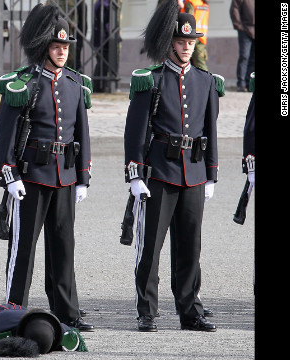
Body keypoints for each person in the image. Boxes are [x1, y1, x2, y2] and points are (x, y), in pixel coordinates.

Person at [0, 3, 94, 332]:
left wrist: (82, 177)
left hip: (64, 175)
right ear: (43, 48)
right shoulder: (24, 83)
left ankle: (67, 310)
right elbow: (5, 132)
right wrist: (9, 174)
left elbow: (82, 132)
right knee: (23, 248)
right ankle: (15, 308)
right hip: (32, 175)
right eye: (56, 46)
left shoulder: (75, 83)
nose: (62, 52)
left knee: (64, 246)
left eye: (65, 46)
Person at [124, 1, 223, 332]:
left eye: (191, 42)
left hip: (193, 172)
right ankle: (147, 311)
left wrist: (212, 174)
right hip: (160, 173)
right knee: (150, 246)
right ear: (170, 43)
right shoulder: (150, 80)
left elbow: (211, 130)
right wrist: (135, 174)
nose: (186, 47)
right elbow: (136, 132)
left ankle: (190, 310)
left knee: (190, 247)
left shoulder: (206, 81)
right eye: (181, 42)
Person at [230, 0, 255, 92]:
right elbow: (234, 9)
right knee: (244, 57)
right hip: (245, 30)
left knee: (253, 59)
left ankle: (250, 83)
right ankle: (241, 84)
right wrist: (239, 26)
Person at [180, 0, 210, 71]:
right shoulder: (204, 4)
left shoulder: (191, 3)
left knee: (185, 62)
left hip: (191, 36)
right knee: (200, 63)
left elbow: (188, 20)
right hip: (201, 37)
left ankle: (206, 81)